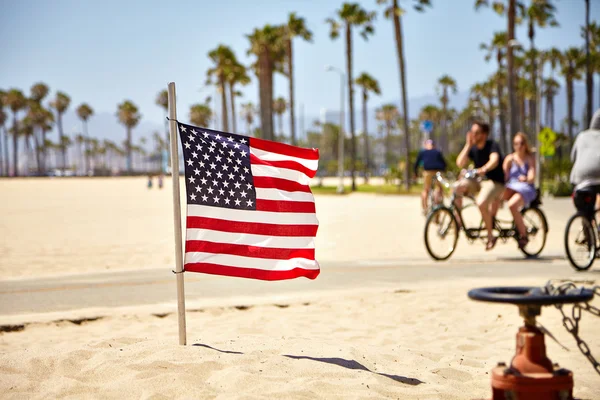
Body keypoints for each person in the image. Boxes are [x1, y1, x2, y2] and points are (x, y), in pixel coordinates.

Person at [455, 121, 505, 250]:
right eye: (472, 133)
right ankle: (457, 220)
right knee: (457, 187)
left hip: (495, 182)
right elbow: (460, 163)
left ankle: (490, 235)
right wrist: (468, 144)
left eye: (476, 133)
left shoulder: (492, 145)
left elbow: (494, 160)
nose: (473, 135)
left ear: (484, 134)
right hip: (478, 181)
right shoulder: (473, 148)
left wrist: (484, 168)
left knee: (481, 203)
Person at [501, 132, 537, 249]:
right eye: (516, 144)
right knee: (494, 196)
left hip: (525, 188)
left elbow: (532, 176)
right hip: (511, 187)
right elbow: (504, 177)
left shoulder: (529, 158)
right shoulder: (510, 159)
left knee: (512, 205)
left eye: (521, 143)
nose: (519, 146)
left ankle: (523, 235)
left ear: (525, 144)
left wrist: (526, 178)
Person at [570, 108, 600, 211]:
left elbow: (572, 157)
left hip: (579, 178)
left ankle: (585, 221)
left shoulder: (581, 135)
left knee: (584, 204)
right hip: (597, 176)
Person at [414, 139, 447, 214]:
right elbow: (444, 163)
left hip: (427, 172)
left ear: (426, 145)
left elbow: (416, 164)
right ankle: (438, 206)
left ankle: (425, 208)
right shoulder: (437, 152)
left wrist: (415, 173)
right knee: (439, 189)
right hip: (438, 171)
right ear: (434, 145)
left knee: (426, 189)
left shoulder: (423, 152)